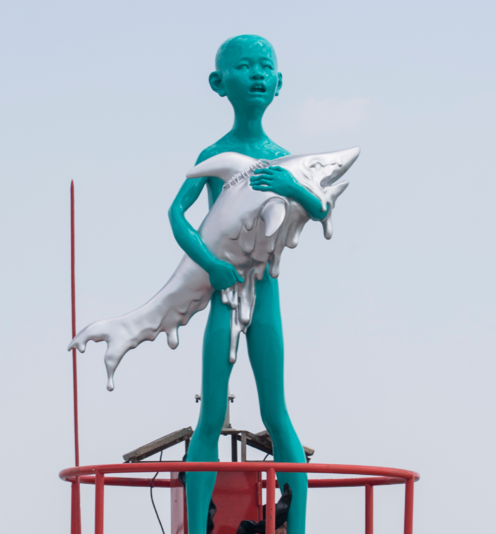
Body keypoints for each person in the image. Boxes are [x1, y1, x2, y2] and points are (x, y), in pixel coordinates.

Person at [168, 35, 328, 534]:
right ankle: (198, 525)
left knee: (275, 409)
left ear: (279, 83)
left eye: (265, 66)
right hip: (224, 293)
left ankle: (295, 522)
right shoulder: (215, 154)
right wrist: (209, 265)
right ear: (220, 82)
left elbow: (321, 208)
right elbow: (177, 212)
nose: (257, 74)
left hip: (267, 294)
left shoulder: (283, 159)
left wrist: (292, 187)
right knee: (212, 411)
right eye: (244, 66)